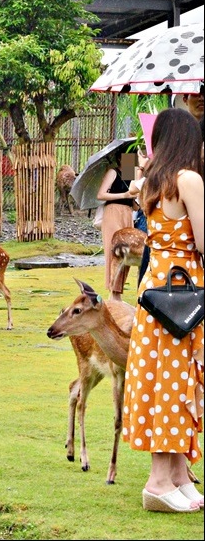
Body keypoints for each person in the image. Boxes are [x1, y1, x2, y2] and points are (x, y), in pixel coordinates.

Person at [122, 107, 204, 513]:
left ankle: (175, 476)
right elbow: (202, 241)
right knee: (175, 380)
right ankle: (158, 482)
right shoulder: (189, 180)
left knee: (164, 377)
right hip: (184, 285)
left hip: (155, 286)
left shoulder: (150, 180)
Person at [96, 150, 136, 301]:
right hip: (113, 213)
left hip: (127, 213)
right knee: (114, 252)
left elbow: (134, 204)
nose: (131, 160)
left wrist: (135, 196)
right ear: (120, 158)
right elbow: (101, 195)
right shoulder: (112, 172)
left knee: (127, 253)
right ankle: (113, 291)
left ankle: (118, 291)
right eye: (128, 157)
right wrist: (124, 195)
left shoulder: (130, 175)